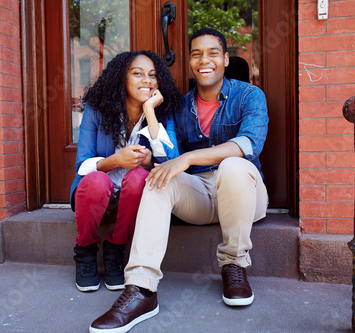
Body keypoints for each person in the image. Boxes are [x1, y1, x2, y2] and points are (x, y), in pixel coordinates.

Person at [89, 28, 269, 333]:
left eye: (212, 53)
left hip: (243, 193)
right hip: (199, 194)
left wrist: (187, 158)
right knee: (157, 178)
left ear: (225, 59)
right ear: (190, 62)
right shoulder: (181, 106)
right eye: (196, 54)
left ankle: (234, 264)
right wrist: (154, 145)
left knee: (233, 166)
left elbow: (249, 143)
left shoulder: (249, 95)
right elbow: (167, 157)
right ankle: (141, 289)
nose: (204, 60)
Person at [70, 50, 182, 293]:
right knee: (96, 180)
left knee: (142, 177)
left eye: (152, 75)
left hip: (134, 201)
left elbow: (170, 162)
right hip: (98, 197)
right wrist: (114, 160)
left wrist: (150, 112)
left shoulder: (162, 113)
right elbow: (82, 165)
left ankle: (115, 248)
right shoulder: (97, 110)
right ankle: (86, 251)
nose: (147, 81)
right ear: (122, 78)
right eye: (137, 74)